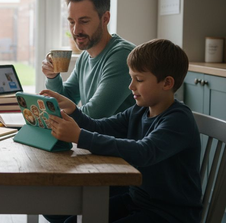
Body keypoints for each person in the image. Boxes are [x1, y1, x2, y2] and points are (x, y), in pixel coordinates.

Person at [41, 39, 202, 223]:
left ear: (166, 83)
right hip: (138, 201)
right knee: (72, 221)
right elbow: (99, 126)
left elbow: (143, 152)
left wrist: (79, 136)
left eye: (139, 79)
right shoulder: (139, 110)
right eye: (131, 77)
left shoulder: (178, 120)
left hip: (170, 214)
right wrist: (74, 111)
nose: (131, 86)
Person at [42, 0, 135, 119]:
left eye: (84, 21)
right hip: (93, 137)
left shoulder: (123, 56)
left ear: (105, 19)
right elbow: (64, 100)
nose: (75, 30)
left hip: (115, 139)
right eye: (72, 22)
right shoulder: (85, 56)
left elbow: (94, 114)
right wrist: (52, 77)